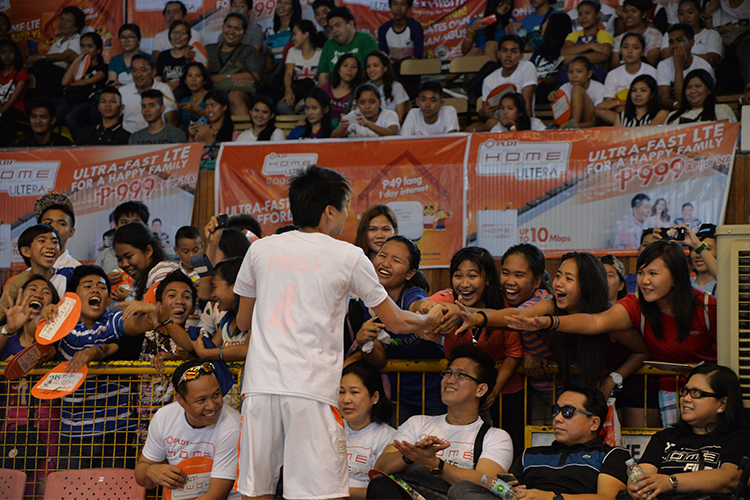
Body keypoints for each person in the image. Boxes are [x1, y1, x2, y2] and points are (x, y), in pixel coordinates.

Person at [232, 164, 444, 499]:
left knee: (256, 489)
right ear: (329, 211)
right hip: (311, 389)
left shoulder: (261, 249)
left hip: (259, 386)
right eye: (345, 208)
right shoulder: (348, 255)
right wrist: (429, 322)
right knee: (322, 492)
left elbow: (242, 323)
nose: (347, 216)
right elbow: (398, 322)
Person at [507, 239, 717, 427]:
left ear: (676, 277)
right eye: (641, 273)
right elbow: (595, 322)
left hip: (706, 393)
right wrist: (546, 323)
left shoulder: (708, 307)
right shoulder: (634, 304)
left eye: (653, 274)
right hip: (666, 390)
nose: (644, 281)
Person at [45, 265, 164, 470]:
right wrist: (44, 313)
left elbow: (148, 322)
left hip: (118, 433)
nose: (95, 290)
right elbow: (32, 338)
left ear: (108, 299)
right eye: (88, 286)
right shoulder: (60, 325)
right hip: (74, 436)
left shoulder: (113, 321)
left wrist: (150, 308)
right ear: (72, 298)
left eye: (101, 287)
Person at [368, 345, 513, 499]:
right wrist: (410, 456)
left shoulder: (495, 437)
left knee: (462, 491)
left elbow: (486, 485)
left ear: (481, 390)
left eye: (461, 375)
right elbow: (380, 467)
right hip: (416, 493)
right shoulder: (417, 423)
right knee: (381, 485)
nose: (450, 380)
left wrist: (436, 464)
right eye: (448, 373)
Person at [421, 247, 526, 457]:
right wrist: (428, 320)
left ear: (487, 279)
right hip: (462, 393)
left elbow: (514, 352)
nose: (464, 283)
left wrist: (493, 391)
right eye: (458, 275)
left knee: (505, 450)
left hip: (505, 393)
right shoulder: (449, 299)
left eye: (472, 275)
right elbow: (423, 306)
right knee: (461, 450)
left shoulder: (503, 304)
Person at [448, 385, 630, 500]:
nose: (557, 418)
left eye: (567, 412)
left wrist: (551, 497)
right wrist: (505, 487)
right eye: (555, 411)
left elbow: (607, 498)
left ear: (594, 423)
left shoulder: (612, 455)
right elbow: (511, 490)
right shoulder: (531, 454)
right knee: (462, 489)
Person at [355, 236, 443, 425]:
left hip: (437, 396)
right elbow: (380, 360)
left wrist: (429, 314)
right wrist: (365, 343)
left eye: (396, 260)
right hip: (401, 399)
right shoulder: (366, 301)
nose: (385, 263)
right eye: (382, 255)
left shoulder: (411, 295)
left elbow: (422, 306)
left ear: (410, 273)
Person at [628, 364, 749, 500]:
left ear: (722, 404)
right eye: (685, 391)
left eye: (696, 393)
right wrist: (637, 488)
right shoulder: (665, 437)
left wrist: (670, 482)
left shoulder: (739, 437)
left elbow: (730, 479)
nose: (686, 398)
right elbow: (643, 477)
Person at [135, 360, 241, 500]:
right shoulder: (164, 417)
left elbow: (216, 495)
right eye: (201, 400)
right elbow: (141, 475)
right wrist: (151, 471)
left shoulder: (232, 426)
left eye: (216, 395)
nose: (211, 406)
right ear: (180, 399)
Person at [0, 276, 60, 497]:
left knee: (44, 489)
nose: (38, 293)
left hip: (49, 430)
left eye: (46, 292)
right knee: (11, 488)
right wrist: (8, 328)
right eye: (32, 289)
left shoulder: (59, 339)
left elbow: (49, 348)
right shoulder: (9, 337)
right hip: (11, 427)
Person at [340, 361, 396, 497]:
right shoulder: (329, 428)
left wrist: (341, 493)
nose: (346, 399)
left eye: (354, 392)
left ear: (374, 397)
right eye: (341, 392)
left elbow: (383, 493)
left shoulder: (388, 437)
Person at [0, 224, 62, 324]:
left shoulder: (68, 275)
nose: (50, 246)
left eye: (55, 242)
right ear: (26, 251)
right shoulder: (16, 284)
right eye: (42, 241)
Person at [474, 34, 537, 131]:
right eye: (504, 51)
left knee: (491, 123)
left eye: (513, 51)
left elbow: (526, 105)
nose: (508, 55)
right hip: (498, 122)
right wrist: (483, 113)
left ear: (521, 56)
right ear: (498, 54)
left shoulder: (527, 67)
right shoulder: (489, 79)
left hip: (520, 121)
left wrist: (527, 132)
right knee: (470, 130)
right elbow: (485, 116)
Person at [205, 12, 264, 116]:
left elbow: (256, 76)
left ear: (243, 33)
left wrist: (225, 77)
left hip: (240, 92)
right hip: (212, 92)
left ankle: (243, 131)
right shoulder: (209, 49)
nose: (231, 31)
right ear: (223, 27)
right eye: (229, 26)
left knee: (234, 96)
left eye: (237, 28)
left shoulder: (248, 50)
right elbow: (198, 73)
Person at [596, 32, 657, 125]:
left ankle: (630, 125)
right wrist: (618, 105)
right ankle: (632, 125)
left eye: (635, 47)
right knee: (599, 111)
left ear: (643, 52)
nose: (630, 51)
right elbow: (608, 104)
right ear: (620, 50)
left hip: (644, 113)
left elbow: (653, 101)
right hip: (621, 114)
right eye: (626, 47)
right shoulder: (612, 74)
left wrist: (617, 103)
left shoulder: (651, 72)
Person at [58, 33, 108, 142]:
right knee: (54, 115)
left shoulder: (103, 67)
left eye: (89, 47)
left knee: (69, 118)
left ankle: (80, 146)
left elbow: (89, 81)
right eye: (83, 46)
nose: (85, 50)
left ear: (98, 50)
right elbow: (64, 82)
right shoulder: (78, 67)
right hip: (72, 100)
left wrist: (70, 86)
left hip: (89, 102)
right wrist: (76, 61)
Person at [26, 6, 84, 99]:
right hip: (50, 78)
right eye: (62, 19)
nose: (63, 23)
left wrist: (41, 57)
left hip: (65, 78)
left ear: (76, 26)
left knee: (41, 65)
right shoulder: (56, 43)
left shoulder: (77, 40)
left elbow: (67, 56)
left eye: (68, 21)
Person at [658, 24, 715, 111]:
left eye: (679, 41)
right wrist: (677, 105)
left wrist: (678, 66)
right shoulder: (663, 65)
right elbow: (664, 99)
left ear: (691, 43)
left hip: (701, 109)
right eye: (671, 42)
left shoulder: (703, 66)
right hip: (674, 110)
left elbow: (706, 98)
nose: (674, 46)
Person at [317, 7, 378, 84]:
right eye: (331, 28)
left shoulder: (366, 39)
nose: (334, 30)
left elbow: (374, 72)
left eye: (338, 25)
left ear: (351, 24)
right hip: (334, 92)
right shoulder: (329, 44)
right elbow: (324, 76)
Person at [95, 201, 149, 288]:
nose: (129, 228)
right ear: (116, 226)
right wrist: (104, 280)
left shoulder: (149, 254)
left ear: (146, 226)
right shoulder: (105, 255)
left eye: (136, 223)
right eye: (124, 223)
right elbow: (93, 280)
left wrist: (128, 296)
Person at [120, 54, 179, 134]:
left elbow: (171, 118)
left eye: (143, 70)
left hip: (158, 139)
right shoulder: (123, 91)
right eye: (134, 70)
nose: (138, 74)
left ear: (153, 72)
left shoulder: (163, 89)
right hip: (129, 140)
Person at [560, 0, 614, 84]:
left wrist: (571, 58)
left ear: (597, 14)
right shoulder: (573, 35)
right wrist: (590, 46)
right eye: (580, 14)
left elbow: (602, 56)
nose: (583, 17)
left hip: (597, 81)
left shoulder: (605, 35)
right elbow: (564, 54)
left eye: (587, 13)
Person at [659, 0, 722, 67]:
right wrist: (699, 57)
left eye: (690, 12)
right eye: (681, 14)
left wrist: (680, 56)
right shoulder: (669, 35)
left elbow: (712, 59)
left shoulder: (711, 35)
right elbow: (665, 56)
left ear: (700, 14)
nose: (686, 17)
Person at [279, 19, 322, 115]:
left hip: (314, 96)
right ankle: (297, 126)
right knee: (282, 106)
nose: (293, 38)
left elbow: (322, 82)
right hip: (297, 93)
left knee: (308, 110)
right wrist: (288, 90)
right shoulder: (292, 51)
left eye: (295, 34)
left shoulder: (321, 54)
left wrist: (305, 101)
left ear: (306, 35)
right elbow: (288, 73)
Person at [549, 55, 606, 128]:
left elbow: (597, 121)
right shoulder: (564, 88)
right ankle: (573, 125)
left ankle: (573, 125)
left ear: (589, 74)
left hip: (589, 124)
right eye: (570, 72)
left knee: (577, 89)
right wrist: (553, 99)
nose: (574, 76)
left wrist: (577, 125)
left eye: (579, 71)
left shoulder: (599, 88)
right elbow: (560, 118)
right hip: (569, 123)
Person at [34, 192, 80, 276]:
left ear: (71, 232)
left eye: (62, 224)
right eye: (48, 223)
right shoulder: (29, 273)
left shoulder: (78, 272)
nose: (54, 229)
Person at [667, 68, 737, 124]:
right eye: (688, 87)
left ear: (709, 89)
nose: (693, 91)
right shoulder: (673, 116)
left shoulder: (721, 110)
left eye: (698, 86)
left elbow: (729, 134)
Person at [333, 83, 399, 137]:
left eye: (372, 102)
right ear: (357, 104)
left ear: (379, 103)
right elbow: (333, 137)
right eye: (362, 102)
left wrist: (367, 124)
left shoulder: (389, 114)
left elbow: (393, 135)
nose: (367, 107)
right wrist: (342, 127)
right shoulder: (354, 115)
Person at [531, 13, 572, 99]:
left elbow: (565, 76)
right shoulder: (540, 49)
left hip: (554, 90)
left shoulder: (567, 49)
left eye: (546, 22)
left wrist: (544, 82)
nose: (542, 25)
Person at [611, 0, 662, 68]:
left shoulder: (654, 35)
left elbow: (651, 62)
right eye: (625, 11)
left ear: (643, 14)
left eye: (633, 11)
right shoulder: (618, 39)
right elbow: (614, 66)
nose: (629, 15)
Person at [188, 89, 240, 156]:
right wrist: (191, 137)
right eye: (206, 106)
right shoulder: (200, 131)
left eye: (213, 105)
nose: (209, 110)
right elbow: (189, 156)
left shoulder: (234, 134)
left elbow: (226, 160)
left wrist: (209, 139)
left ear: (224, 107)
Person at [365, 51, 409, 122]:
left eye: (375, 65)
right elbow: (355, 113)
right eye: (368, 66)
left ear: (385, 67)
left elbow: (400, 118)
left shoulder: (396, 87)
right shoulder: (362, 88)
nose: (371, 70)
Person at [0, 39, 29, 147]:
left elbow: (14, 99)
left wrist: (1, 112)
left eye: (10, 52)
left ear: (16, 54)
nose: (7, 56)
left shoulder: (21, 73)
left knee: (8, 117)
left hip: (16, 110)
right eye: (3, 53)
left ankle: (4, 150)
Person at [319, 52, 361, 124]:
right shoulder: (325, 88)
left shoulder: (358, 93)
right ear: (338, 69)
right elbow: (299, 107)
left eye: (354, 67)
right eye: (345, 65)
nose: (349, 69)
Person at [155, 19, 192, 97]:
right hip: (166, 94)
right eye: (174, 32)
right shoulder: (163, 56)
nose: (178, 36)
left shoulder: (193, 54)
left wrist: (178, 84)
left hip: (188, 95)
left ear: (189, 37)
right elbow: (158, 79)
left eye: (182, 32)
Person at [264, 0, 302, 76]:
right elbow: (269, 56)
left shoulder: (299, 30)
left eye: (287, 3)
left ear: (294, 9)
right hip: (277, 75)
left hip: (295, 73)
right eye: (279, 2)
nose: (282, 5)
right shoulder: (271, 32)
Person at [107, 24, 148, 88]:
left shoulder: (147, 58)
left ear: (139, 40)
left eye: (131, 37)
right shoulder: (115, 60)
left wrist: (122, 87)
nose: (126, 40)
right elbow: (112, 84)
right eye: (123, 37)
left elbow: (148, 84)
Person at [177, 61, 211, 129]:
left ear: (204, 80)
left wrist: (195, 109)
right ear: (185, 81)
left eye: (198, 76)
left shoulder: (211, 97)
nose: (193, 79)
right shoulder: (184, 101)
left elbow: (212, 120)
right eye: (189, 76)